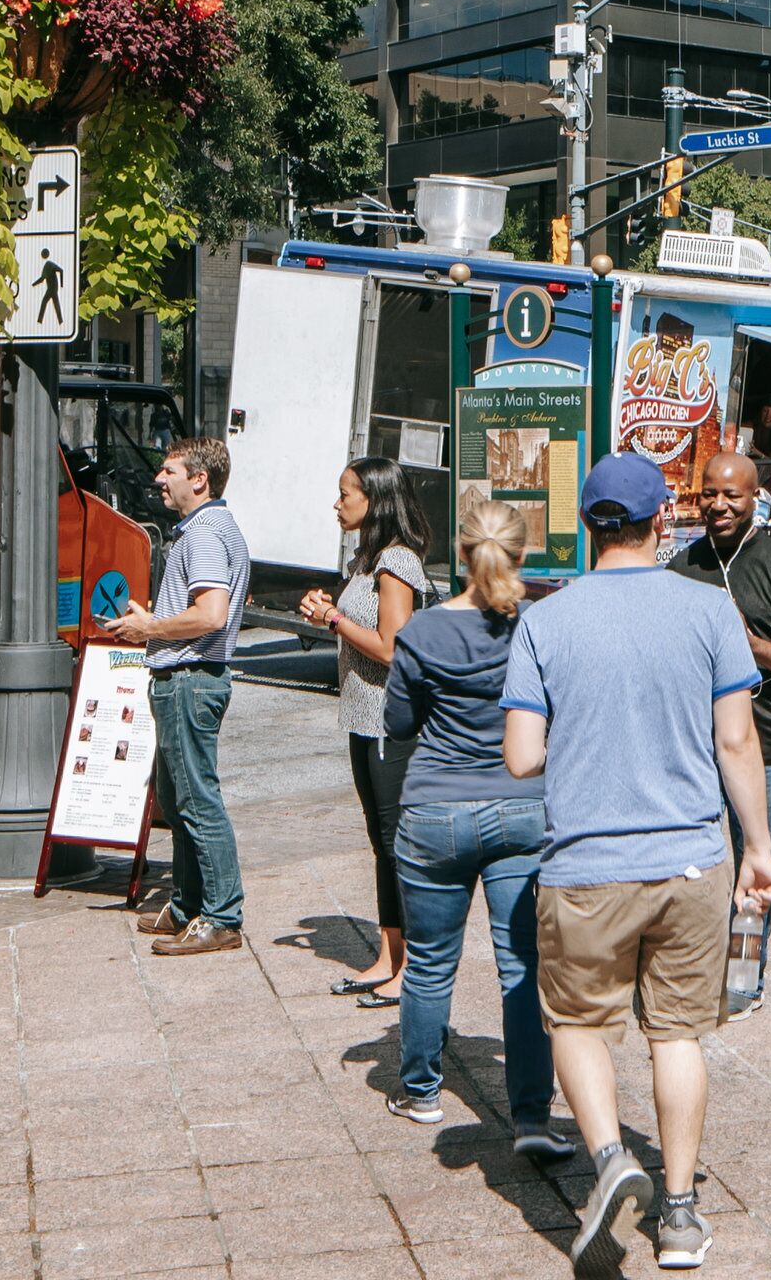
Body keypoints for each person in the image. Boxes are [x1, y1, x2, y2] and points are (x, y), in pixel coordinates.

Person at [503, 455, 771, 1275]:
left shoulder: (544, 621)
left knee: (576, 1024)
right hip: (689, 858)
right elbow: (737, 740)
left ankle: (607, 1159)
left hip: (584, 864)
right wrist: (758, 849)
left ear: (587, 525)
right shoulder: (709, 608)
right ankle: (681, 1213)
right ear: (663, 519)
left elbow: (522, 757)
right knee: (678, 1035)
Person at [376, 503, 567, 1138]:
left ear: (460, 555)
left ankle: (421, 1091)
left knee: (430, 961)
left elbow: (399, 723)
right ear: (521, 555)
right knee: (522, 963)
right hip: (521, 806)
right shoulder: (535, 626)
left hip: (436, 810)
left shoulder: (422, 631)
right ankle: (532, 1115)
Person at [670, 452, 771, 1018]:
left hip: (770, 749)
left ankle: (741, 979)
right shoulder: (682, 568)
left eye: (731, 496)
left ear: (754, 498)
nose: (719, 505)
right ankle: (691, 971)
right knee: (691, 866)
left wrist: (750, 645)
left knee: (757, 867)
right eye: (709, 494)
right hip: (694, 746)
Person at [106, 439, 252, 955]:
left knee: (195, 799)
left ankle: (221, 916)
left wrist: (151, 627)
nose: (158, 479)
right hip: (185, 677)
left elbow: (211, 614)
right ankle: (189, 904)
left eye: (169, 471)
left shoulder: (206, 532)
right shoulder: (205, 528)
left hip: (190, 678)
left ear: (200, 479)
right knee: (177, 798)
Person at [295, 455, 428, 999]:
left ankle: (413, 967)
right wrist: (330, 611)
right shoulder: (368, 558)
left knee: (397, 843)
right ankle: (388, 956)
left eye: (346, 493)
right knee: (381, 840)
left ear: (374, 500)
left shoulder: (396, 561)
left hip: (389, 721)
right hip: (363, 718)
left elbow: (395, 648)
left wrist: (333, 619)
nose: (337, 503)